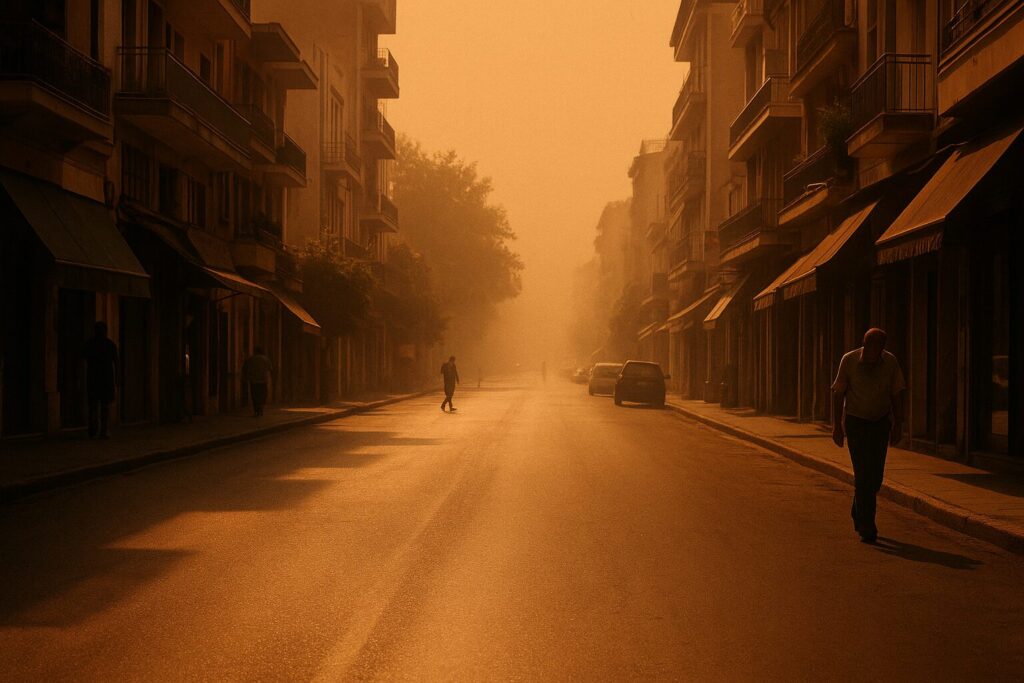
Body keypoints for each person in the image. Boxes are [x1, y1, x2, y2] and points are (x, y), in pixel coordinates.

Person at [831, 328, 906, 544]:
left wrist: (898, 424)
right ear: (864, 343)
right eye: (868, 345)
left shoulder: (890, 363)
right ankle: (867, 525)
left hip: (880, 423)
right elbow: (838, 394)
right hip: (856, 422)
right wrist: (837, 426)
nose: (871, 352)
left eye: (876, 347)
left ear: (882, 348)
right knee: (863, 473)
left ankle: (858, 511)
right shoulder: (850, 360)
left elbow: (896, 393)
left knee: (875, 476)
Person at [83, 321, 118, 439]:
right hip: (106, 379)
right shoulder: (110, 345)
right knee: (104, 407)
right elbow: (116, 363)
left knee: (94, 406)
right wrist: (117, 379)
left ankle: (93, 430)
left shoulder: (90, 344)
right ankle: (102, 430)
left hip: (93, 379)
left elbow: (83, 361)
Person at [242, 346, 273, 417]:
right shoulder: (265, 359)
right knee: (263, 395)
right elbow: (270, 369)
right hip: (263, 381)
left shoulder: (250, 359)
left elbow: (244, 368)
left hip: (253, 381)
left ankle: (256, 410)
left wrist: (246, 377)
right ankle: (260, 408)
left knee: (254, 396)